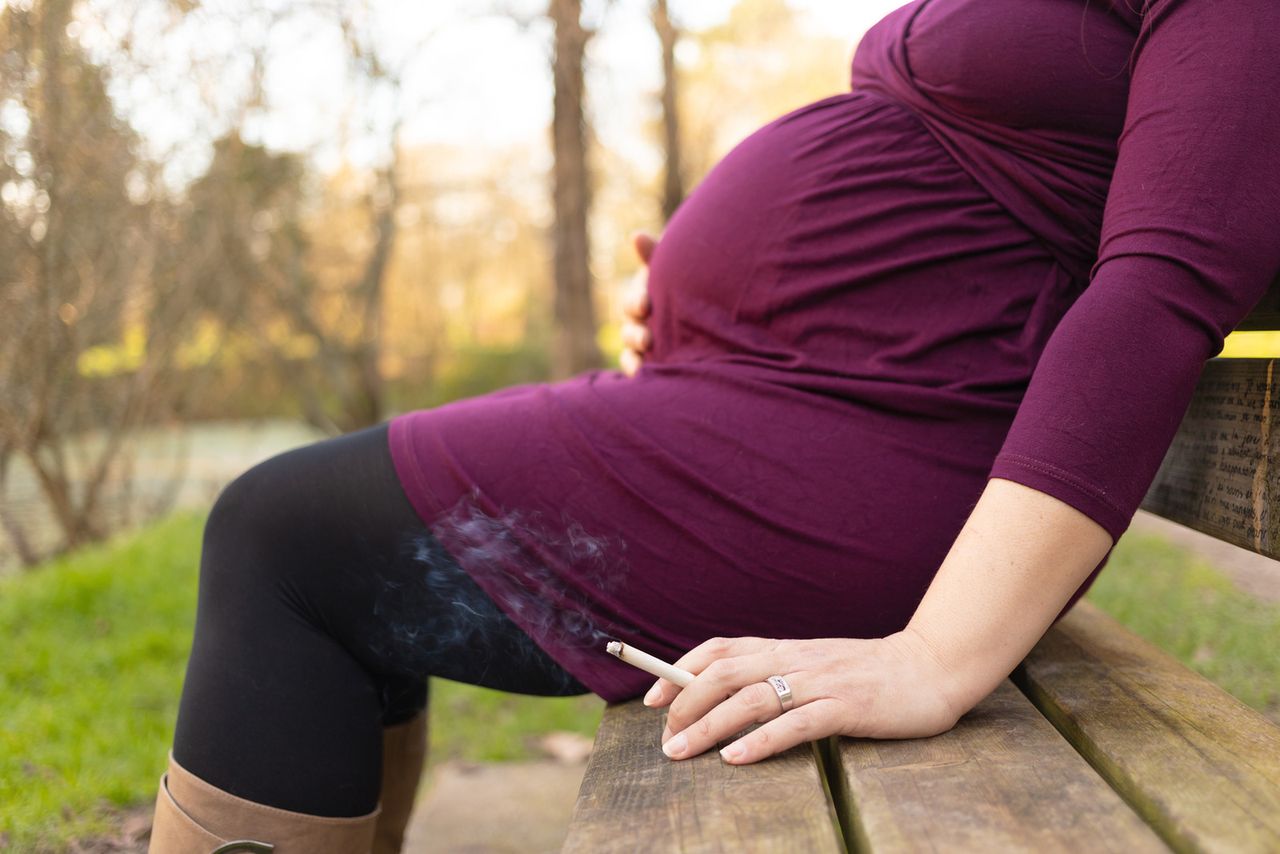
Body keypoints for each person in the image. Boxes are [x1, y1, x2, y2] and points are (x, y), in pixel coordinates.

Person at [146, 0, 1280, 851]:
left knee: (283, 537)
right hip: (801, 403)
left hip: (886, 468)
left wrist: (936, 656)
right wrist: (712, 292)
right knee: (320, 544)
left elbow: (1163, 286)